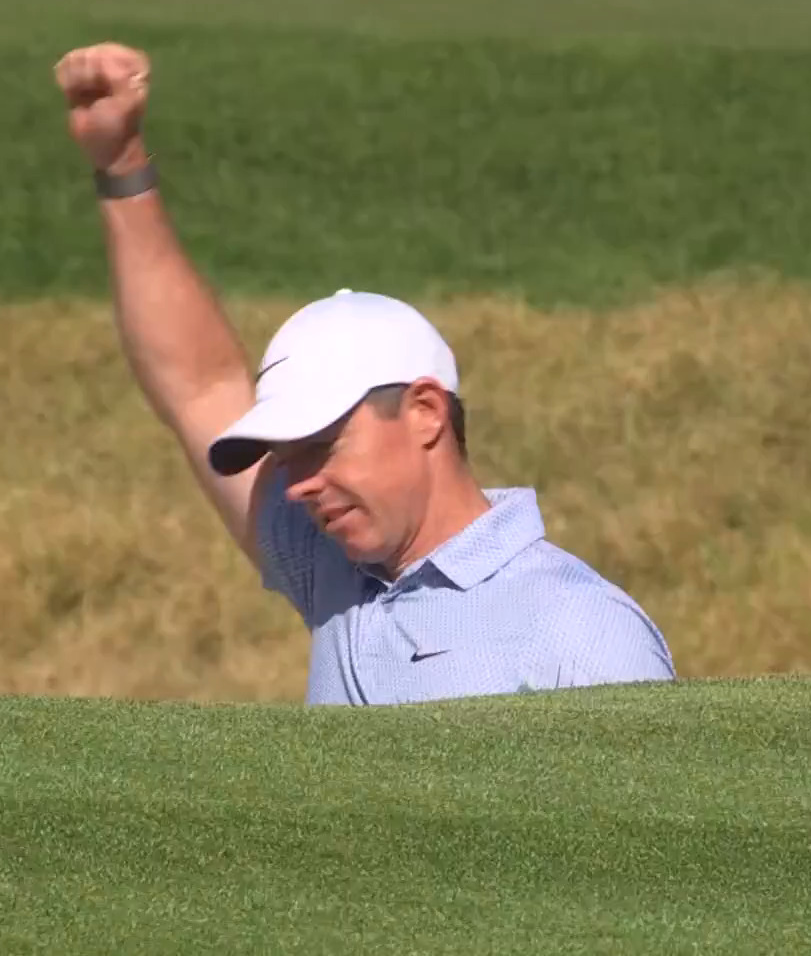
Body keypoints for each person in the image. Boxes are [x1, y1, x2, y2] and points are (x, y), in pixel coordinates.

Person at [54, 41, 675, 705]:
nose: (299, 485)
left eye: (322, 443)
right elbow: (198, 387)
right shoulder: (332, 566)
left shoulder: (585, 634)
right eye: (288, 457)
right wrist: (121, 166)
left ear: (426, 413)